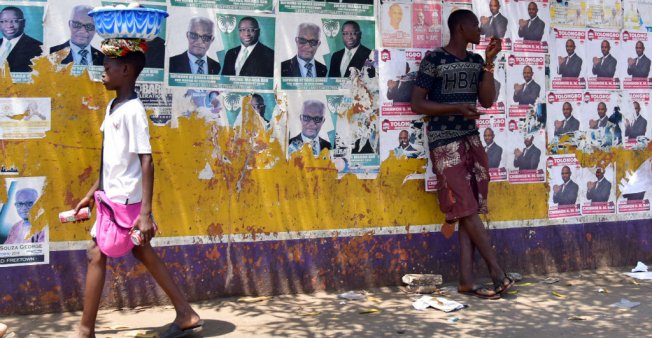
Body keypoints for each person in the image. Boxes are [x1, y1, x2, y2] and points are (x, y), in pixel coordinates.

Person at [71, 39, 201, 338]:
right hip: (110, 197)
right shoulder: (113, 105)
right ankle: (186, 314)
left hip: (126, 201)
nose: (102, 73)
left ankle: (84, 331)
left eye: (107, 68)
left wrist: (145, 213)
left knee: (96, 252)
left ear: (125, 70)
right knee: (141, 252)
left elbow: (147, 161)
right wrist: (92, 194)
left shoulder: (134, 111)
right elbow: (110, 159)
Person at [411, 9, 514, 300]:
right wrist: (456, 108)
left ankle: (467, 281)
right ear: (459, 28)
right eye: (474, 25)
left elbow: (488, 100)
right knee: (466, 207)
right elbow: (418, 103)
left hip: (471, 139)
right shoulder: (435, 59)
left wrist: (490, 63)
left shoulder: (476, 60)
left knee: (470, 208)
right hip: (444, 142)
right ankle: (496, 271)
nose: (479, 30)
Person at [0, 6, 42, 72]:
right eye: (5, 21)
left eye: (15, 21)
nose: (9, 25)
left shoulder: (39, 48)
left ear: (23, 23)